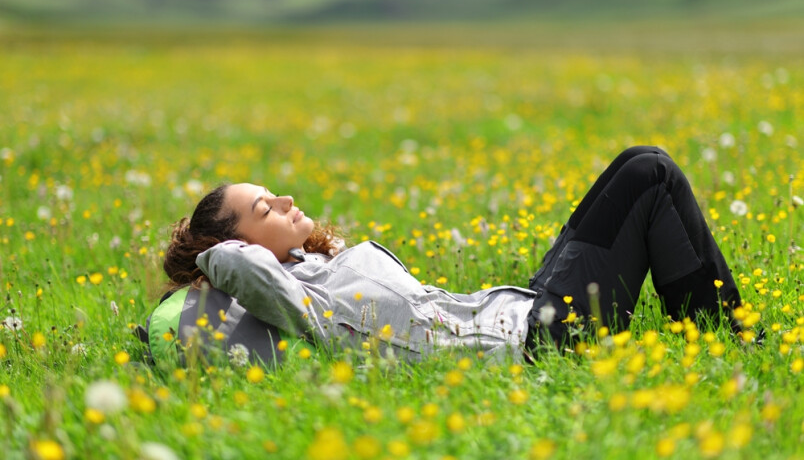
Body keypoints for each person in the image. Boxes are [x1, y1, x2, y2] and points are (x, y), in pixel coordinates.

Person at [157, 146, 743, 364]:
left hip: (527, 308)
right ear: (240, 246)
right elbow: (241, 267)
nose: (285, 199)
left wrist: (275, 233)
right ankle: (725, 338)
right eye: (265, 209)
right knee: (650, 172)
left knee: (629, 169)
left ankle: (710, 332)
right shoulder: (295, 302)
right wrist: (216, 250)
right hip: (541, 339)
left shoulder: (311, 271)